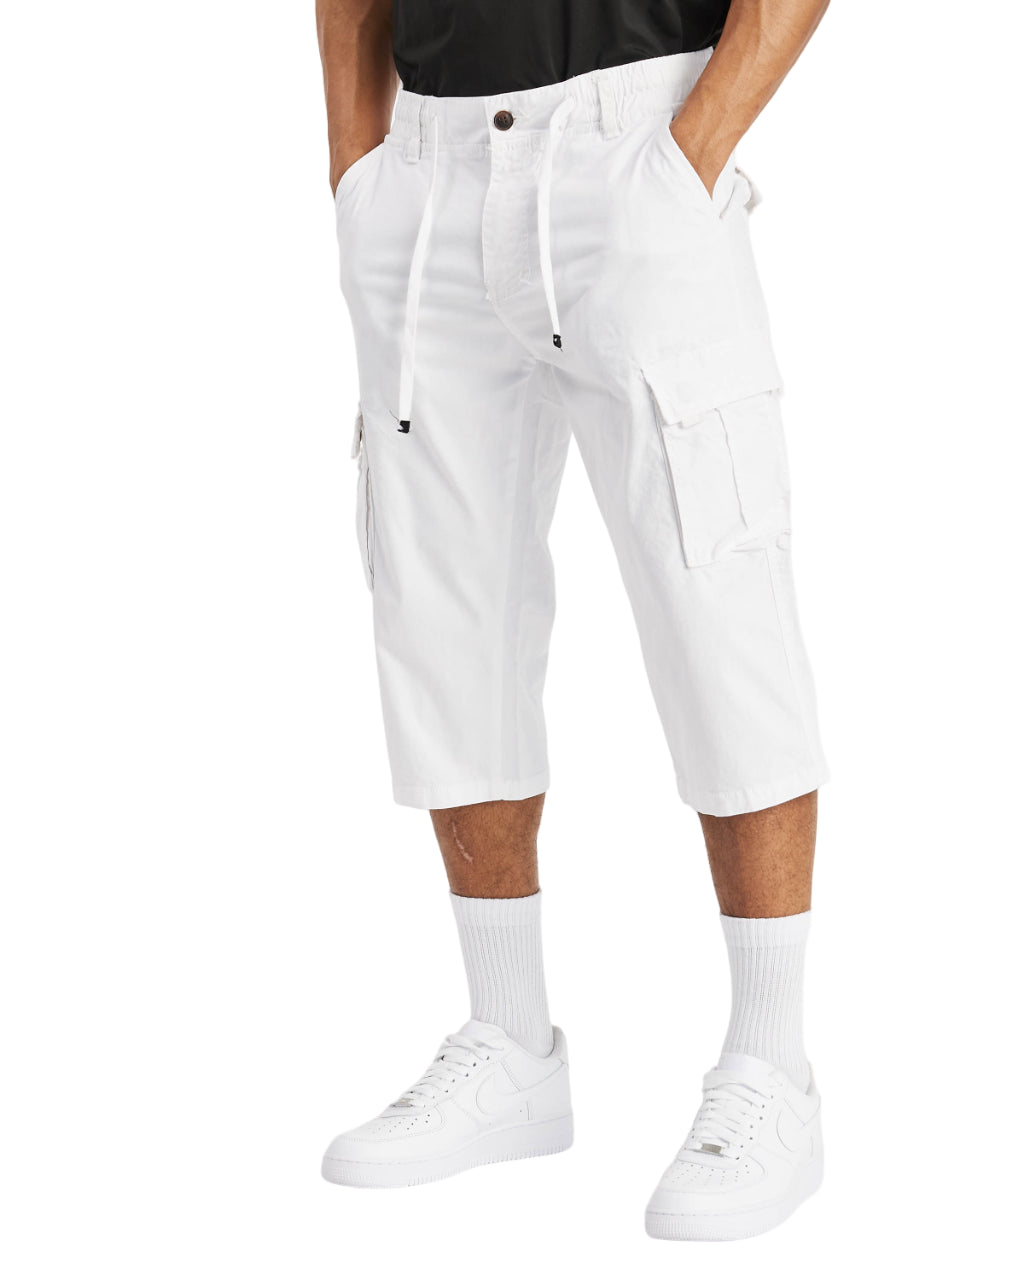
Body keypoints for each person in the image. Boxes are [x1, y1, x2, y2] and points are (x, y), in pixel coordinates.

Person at [315, 0, 831, 1241]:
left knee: (716, 594)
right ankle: (509, 1042)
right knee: (442, 608)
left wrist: (689, 152)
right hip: (427, 170)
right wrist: (357, 169)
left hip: (635, 144)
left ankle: (771, 1065)